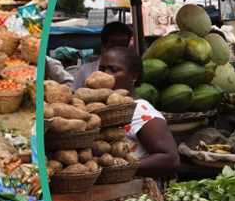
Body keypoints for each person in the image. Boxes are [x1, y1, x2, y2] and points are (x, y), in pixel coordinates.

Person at [98, 46, 180, 180]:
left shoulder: (140, 110)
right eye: (101, 69)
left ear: (133, 76)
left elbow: (170, 159)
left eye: (113, 70)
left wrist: (121, 168)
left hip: (136, 189)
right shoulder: (105, 108)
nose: (105, 75)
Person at [72, 22, 134, 88]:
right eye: (113, 43)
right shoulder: (85, 71)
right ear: (104, 44)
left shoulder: (132, 69)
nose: (118, 48)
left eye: (122, 43)